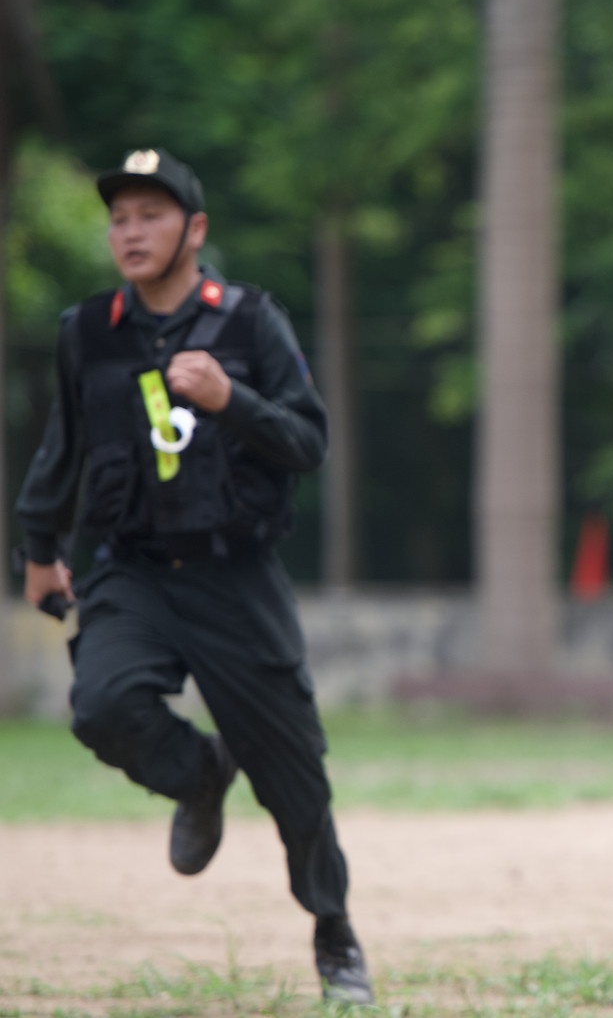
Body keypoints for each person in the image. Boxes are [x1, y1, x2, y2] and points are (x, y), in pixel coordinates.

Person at [14, 148, 373, 1004]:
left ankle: (335, 937)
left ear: (195, 229)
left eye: (150, 215)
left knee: (296, 779)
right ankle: (200, 774)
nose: (129, 232)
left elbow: (310, 441)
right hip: (130, 572)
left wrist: (230, 400)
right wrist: (35, 550)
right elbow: (59, 452)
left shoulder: (250, 323)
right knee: (101, 706)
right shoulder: (86, 331)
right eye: (119, 218)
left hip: (234, 576)